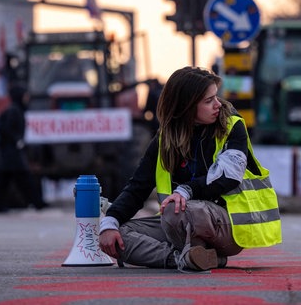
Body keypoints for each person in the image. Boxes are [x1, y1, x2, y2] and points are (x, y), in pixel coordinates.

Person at [99, 66, 282, 272]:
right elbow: (137, 187)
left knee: (176, 211)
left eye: (216, 97)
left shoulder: (232, 126)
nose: (218, 105)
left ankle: (192, 254)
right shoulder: (164, 140)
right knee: (119, 237)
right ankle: (186, 259)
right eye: (208, 101)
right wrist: (110, 223)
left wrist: (185, 190)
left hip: (227, 226)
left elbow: (228, 176)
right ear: (185, 107)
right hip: (179, 223)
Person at [0, 83, 48, 213]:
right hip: (11, 153)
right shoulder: (14, 111)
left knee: (5, 181)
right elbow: (7, 129)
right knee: (23, 179)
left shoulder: (14, 109)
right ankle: (37, 202)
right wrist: (17, 141)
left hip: (9, 154)